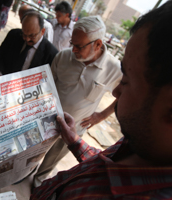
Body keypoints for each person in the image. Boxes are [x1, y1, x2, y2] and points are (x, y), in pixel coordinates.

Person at [0, 0, 172, 198]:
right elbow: (103, 165)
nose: (117, 93)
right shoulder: (136, 144)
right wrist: (75, 142)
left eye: (126, 80)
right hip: (57, 124)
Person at [33, 15, 122, 186]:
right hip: (47, 120)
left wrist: (102, 115)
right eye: (72, 44)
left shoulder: (113, 69)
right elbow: (47, 86)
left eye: (78, 46)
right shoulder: (63, 57)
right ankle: (25, 173)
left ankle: (38, 182)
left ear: (98, 44)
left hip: (75, 129)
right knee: (33, 152)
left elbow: (124, 94)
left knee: (51, 160)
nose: (73, 50)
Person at [0, 11, 58, 77]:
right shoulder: (13, 35)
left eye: (32, 36)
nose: (27, 39)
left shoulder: (51, 54)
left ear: (42, 31)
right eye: (24, 34)